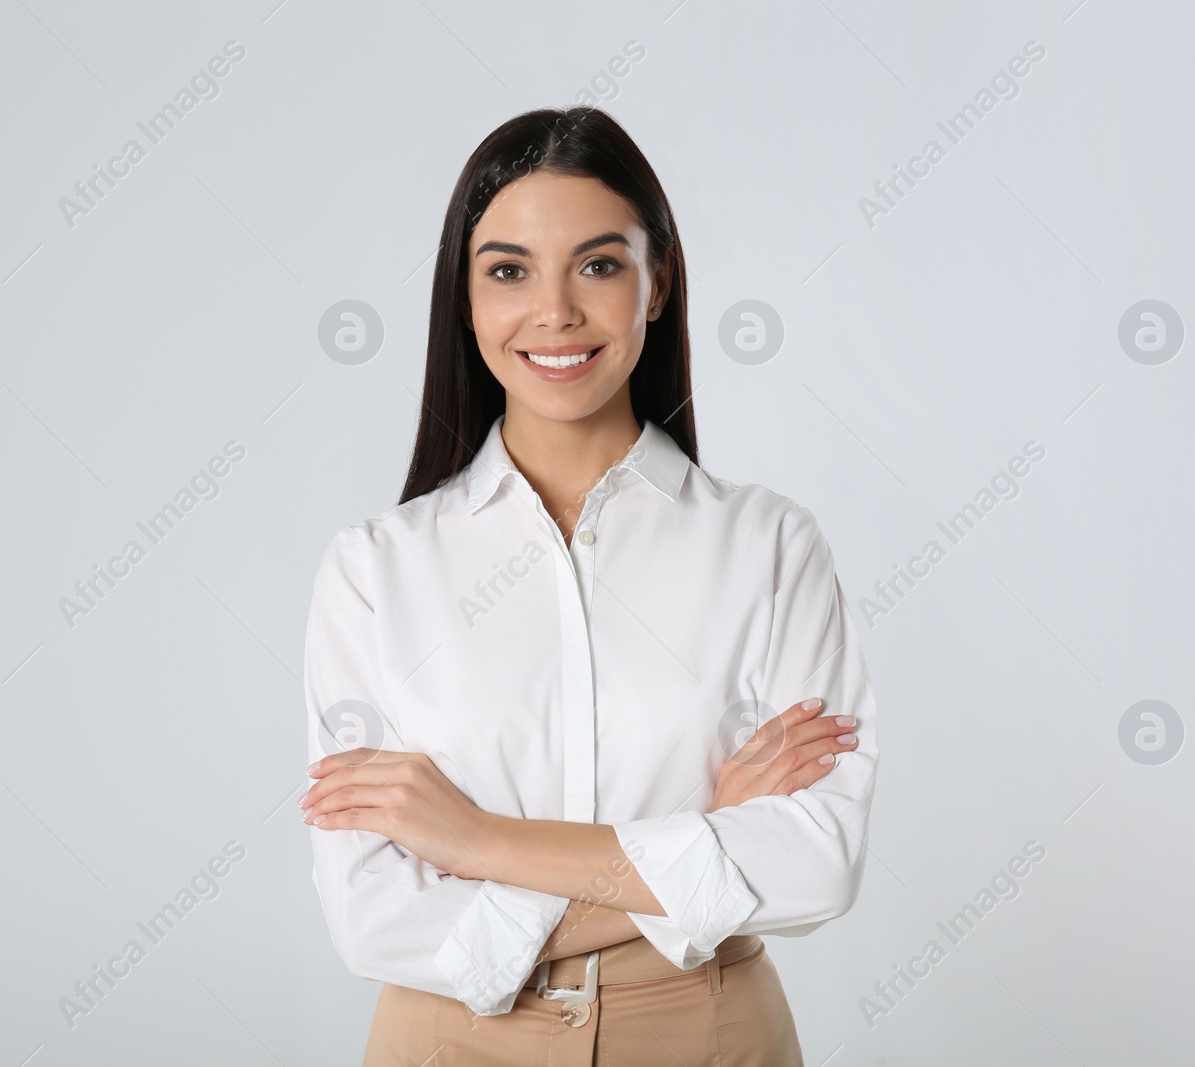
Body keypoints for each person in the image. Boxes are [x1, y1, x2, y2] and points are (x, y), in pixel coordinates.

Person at [299, 105, 880, 1066]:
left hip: (708, 1037)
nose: (556, 310)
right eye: (509, 270)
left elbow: (817, 864)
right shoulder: (373, 570)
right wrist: (707, 841)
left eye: (600, 264)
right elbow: (371, 921)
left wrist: (475, 840)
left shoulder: (771, 546)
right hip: (449, 1044)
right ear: (467, 300)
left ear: (657, 287)